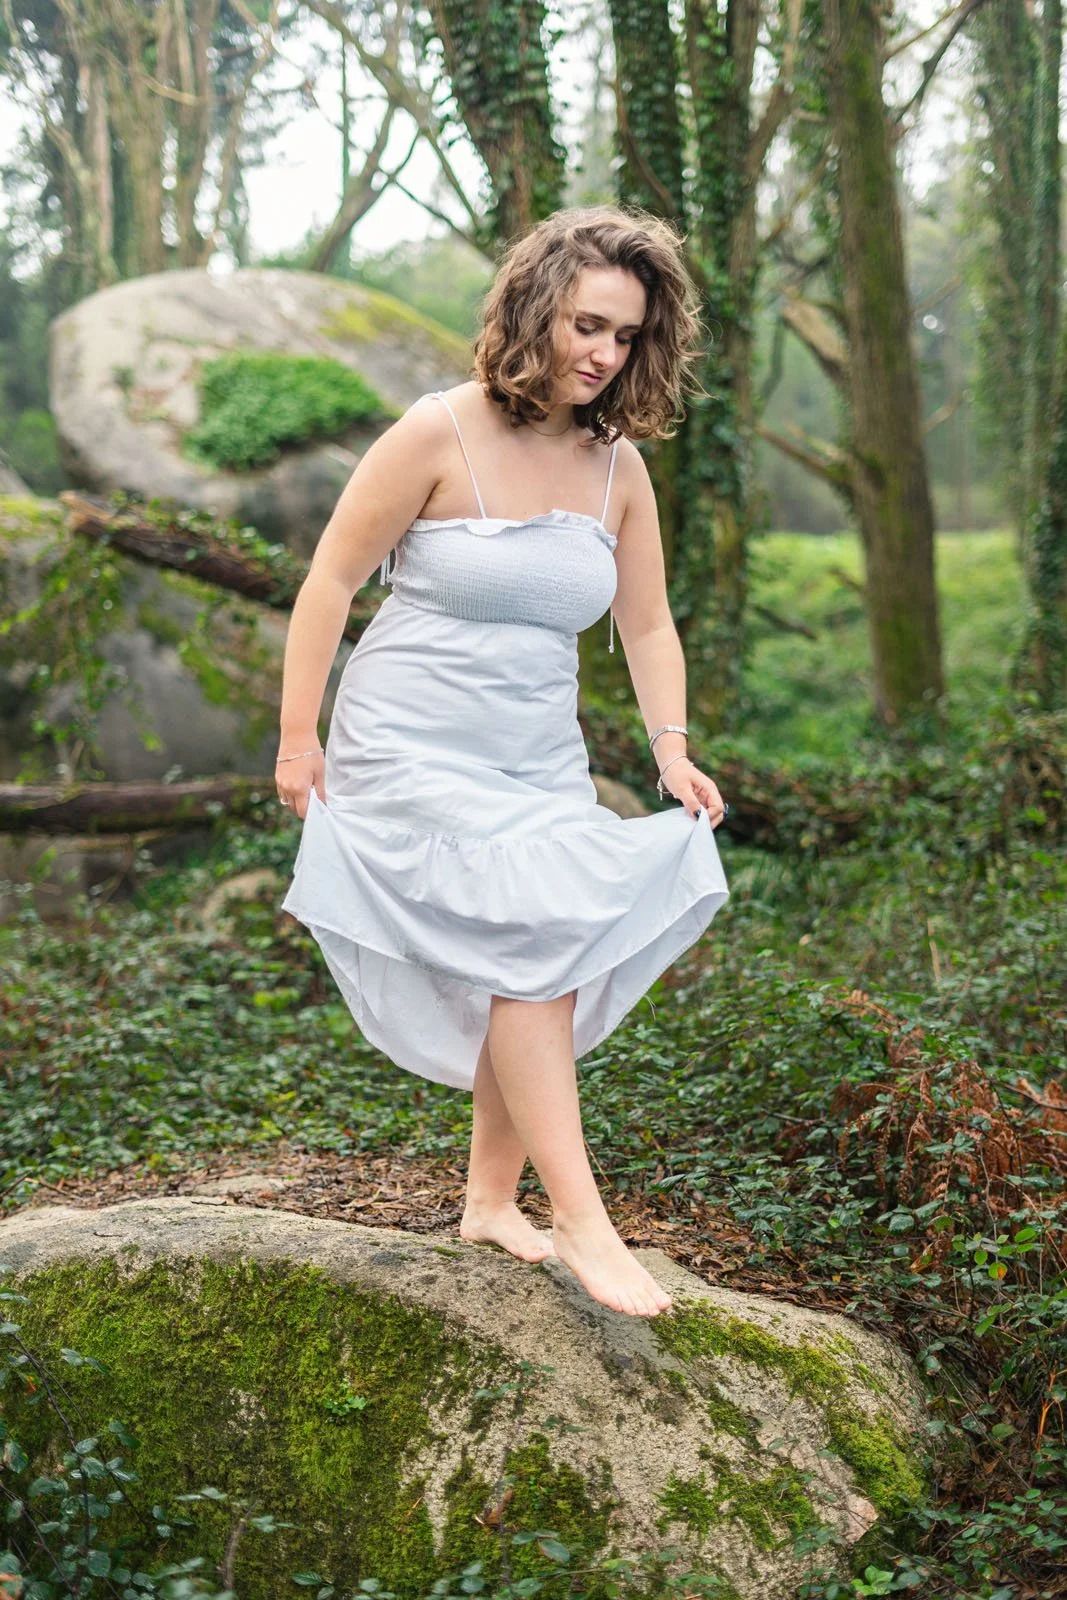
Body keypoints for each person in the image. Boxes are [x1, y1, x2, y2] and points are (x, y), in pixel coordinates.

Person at [277, 204, 730, 1319]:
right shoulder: (436, 431)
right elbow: (329, 581)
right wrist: (298, 737)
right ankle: (580, 1215)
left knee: (544, 949)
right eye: (586, 323)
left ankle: (488, 1197)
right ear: (533, 307)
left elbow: (648, 628)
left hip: (533, 760)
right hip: (407, 743)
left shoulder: (616, 469)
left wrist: (670, 749)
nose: (601, 353)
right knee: (533, 941)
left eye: (624, 335)